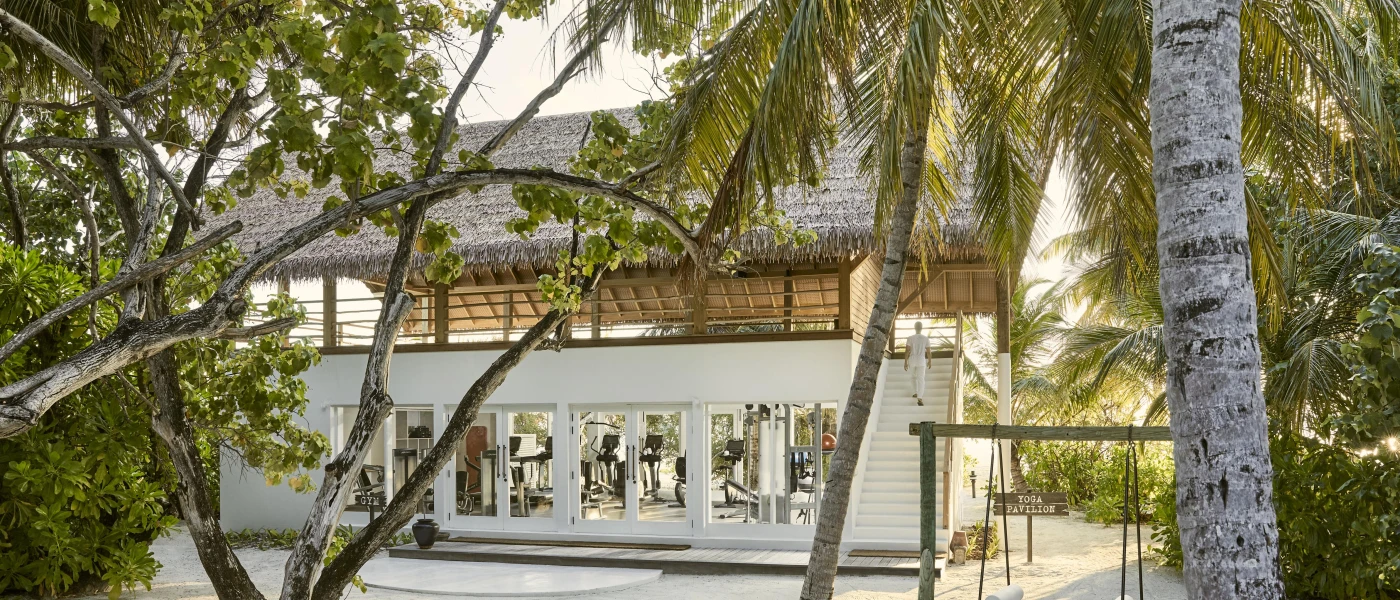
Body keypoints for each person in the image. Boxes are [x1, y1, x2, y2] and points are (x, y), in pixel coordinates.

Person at [905, 322, 931, 405]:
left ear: (914, 327)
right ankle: (920, 397)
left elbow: (907, 350)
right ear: (922, 328)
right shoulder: (925, 338)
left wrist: (905, 361)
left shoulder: (910, 338)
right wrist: (930, 361)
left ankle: (915, 392)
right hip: (921, 360)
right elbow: (929, 352)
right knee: (921, 379)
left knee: (913, 377)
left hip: (912, 359)